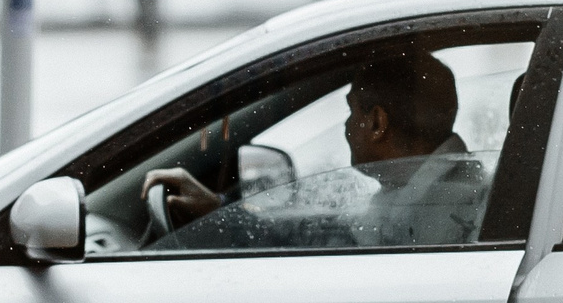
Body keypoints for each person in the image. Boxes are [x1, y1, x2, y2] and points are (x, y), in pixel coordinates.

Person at [145, 48, 486, 246]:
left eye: (352, 111)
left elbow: (333, 244)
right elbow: (331, 231)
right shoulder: (429, 190)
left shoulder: (446, 206)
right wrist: (219, 209)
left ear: (378, 123)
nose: (346, 125)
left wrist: (222, 219)